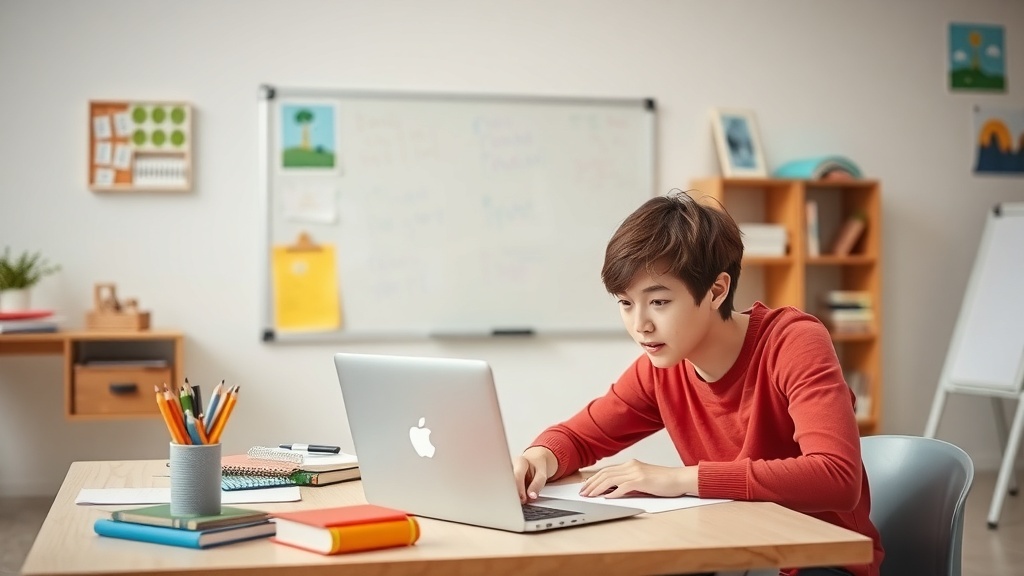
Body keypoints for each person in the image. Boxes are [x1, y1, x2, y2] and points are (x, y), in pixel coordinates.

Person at [512, 190, 883, 576]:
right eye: (625, 303)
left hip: (821, 561)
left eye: (659, 302)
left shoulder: (793, 342)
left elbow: (837, 478)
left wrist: (681, 479)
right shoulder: (660, 368)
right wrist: (538, 458)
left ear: (716, 290)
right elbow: (578, 438)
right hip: (734, 553)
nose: (640, 325)